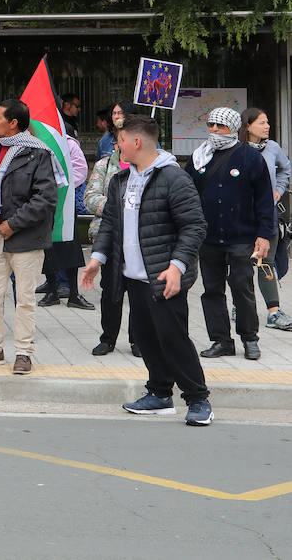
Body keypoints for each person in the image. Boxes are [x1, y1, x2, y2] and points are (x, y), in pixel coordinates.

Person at [81, 113, 212, 425]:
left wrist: (177, 267)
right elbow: (111, 223)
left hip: (164, 276)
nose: (117, 145)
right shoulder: (121, 180)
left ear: (136, 142)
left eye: (121, 140)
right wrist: (97, 260)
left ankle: (198, 399)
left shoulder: (174, 178)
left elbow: (194, 227)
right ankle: (159, 393)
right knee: (145, 336)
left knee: (173, 337)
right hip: (131, 276)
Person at [0, 98, 60, 376]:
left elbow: (45, 199)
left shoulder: (39, 154)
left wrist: (14, 224)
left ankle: (23, 353)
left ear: (13, 123)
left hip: (25, 238)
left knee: (25, 299)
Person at [184, 106, 276, 361]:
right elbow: (186, 191)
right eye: (211, 125)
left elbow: (264, 200)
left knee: (242, 289)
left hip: (242, 238)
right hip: (208, 237)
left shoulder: (250, 157)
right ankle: (221, 340)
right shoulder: (200, 157)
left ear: (233, 128)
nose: (214, 130)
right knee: (211, 290)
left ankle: (249, 339)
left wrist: (263, 235)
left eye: (220, 126)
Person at [84, 100, 145, 355]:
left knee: (140, 294)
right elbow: (90, 198)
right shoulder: (103, 165)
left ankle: (138, 340)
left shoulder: (148, 167)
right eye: (117, 139)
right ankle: (108, 338)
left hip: (140, 240)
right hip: (109, 238)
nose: (120, 143)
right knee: (111, 292)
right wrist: (121, 208)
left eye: (125, 138)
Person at [240, 107, 292, 331]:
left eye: (267, 122)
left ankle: (273, 312)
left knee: (266, 262)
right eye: (262, 122)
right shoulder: (236, 149)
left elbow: (285, 169)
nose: (267, 126)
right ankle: (239, 304)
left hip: (267, 214)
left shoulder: (272, 148)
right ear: (248, 126)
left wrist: (279, 188)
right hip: (241, 216)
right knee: (240, 263)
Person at [37, 131, 93, 310]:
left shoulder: (68, 144)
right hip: (44, 201)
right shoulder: (38, 141)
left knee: (70, 245)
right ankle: (51, 289)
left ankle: (73, 292)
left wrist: (64, 186)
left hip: (64, 201)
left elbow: (81, 170)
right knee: (48, 247)